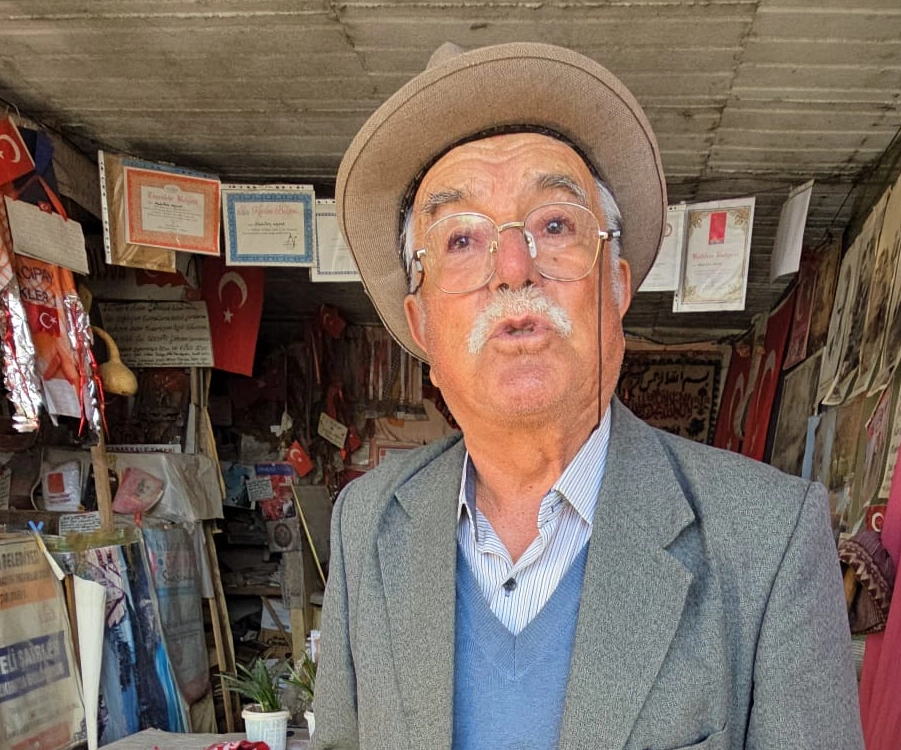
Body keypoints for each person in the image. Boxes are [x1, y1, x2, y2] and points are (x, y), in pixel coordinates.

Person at [312, 41, 863, 750]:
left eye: (554, 225)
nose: (514, 267)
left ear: (616, 288)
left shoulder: (768, 540)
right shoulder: (365, 523)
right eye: (461, 240)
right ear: (420, 326)